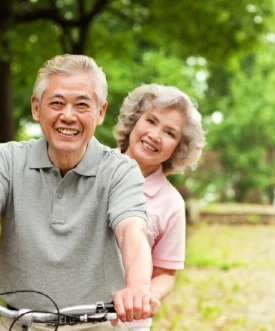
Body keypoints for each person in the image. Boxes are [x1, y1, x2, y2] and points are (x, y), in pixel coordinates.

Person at [0, 55, 156, 331]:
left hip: (96, 324)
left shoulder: (120, 171)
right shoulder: (9, 159)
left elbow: (132, 231)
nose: (68, 116)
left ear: (100, 112)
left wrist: (137, 288)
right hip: (18, 322)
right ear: (37, 108)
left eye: (82, 104)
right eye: (56, 103)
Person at [113, 84, 206, 331]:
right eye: (151, 121)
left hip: (125, 324)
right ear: (134, 121)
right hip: (69, 314)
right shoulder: (91, 168)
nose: (155, 135)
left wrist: (142, 298)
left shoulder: (172, 203)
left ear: (179, 147)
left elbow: (166, 273)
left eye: (169, 133)